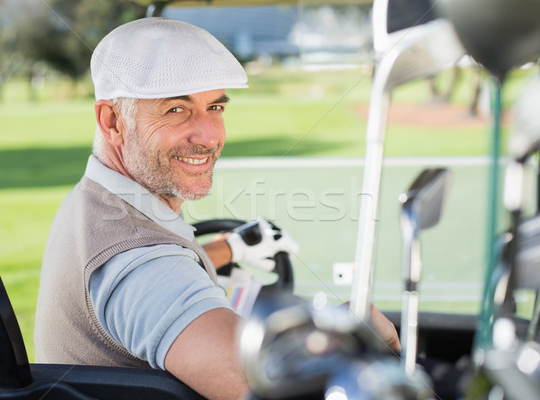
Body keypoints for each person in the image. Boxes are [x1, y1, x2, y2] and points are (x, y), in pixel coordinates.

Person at [34, 17, 400, 400]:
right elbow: (279, 390)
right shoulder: (141, 263)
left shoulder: (100, 201)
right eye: (176, 109)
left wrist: (230, 249)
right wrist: (344, 332)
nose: (209, 136)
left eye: (215, 107)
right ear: (112, 122)